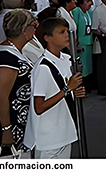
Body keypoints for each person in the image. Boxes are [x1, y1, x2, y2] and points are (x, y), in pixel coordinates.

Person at [23, 17, 84, 159]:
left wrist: (75, 91)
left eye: (67, 31)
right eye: (61, 32)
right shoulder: (43, 67)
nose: (66, 35)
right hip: (48, 137)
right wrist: (67, 89)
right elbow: (39, 107)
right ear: (47, 38)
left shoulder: (66, 59)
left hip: (65, 130)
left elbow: (66, 90)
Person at [0, 9, 38, 157]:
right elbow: (2, 97)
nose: (35, 29)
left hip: (21, 119)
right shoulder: (6, 59)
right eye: (33, 25)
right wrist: (6, 129)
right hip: (13, 122)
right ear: (23, 29)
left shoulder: (13, 53)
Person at [71, 0, 94, 80]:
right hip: (80, 43)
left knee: (88, 65)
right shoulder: (77, 11)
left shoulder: (88, 12)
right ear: (80, 3)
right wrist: (77, 43)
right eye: (87, 1)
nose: (90, 3)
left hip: (88, 42)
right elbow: (74, 28)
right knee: (82, 66)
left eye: (90, 1)